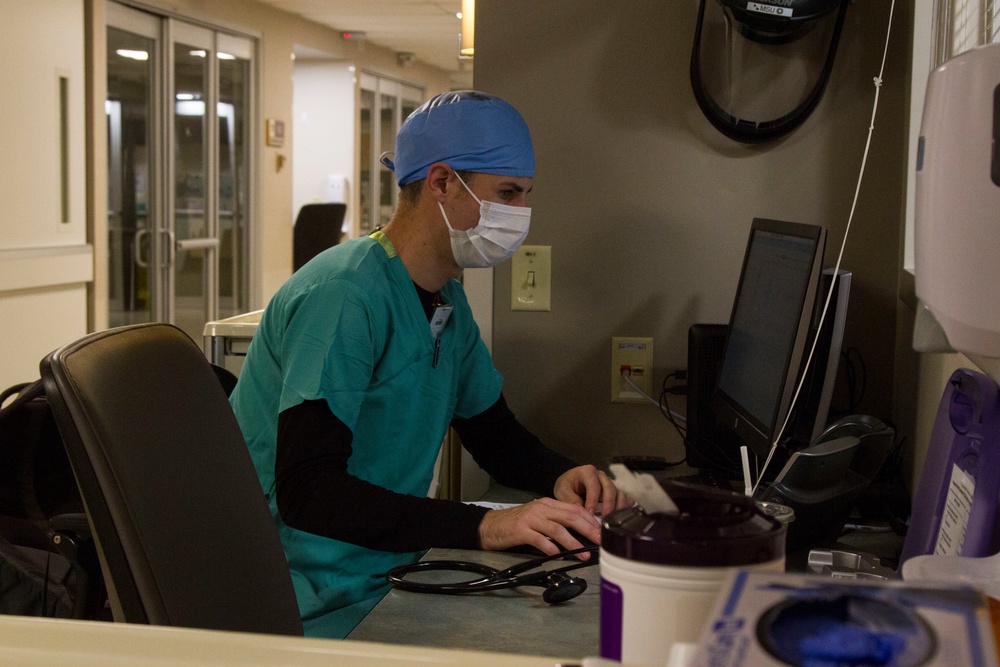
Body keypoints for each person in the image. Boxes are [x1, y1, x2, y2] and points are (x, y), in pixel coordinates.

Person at [229, 90, 627, 639]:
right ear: (441, 182)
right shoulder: (344, 295)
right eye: (506, 193)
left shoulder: (446, 303)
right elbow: (309, 492)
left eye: (526, 196)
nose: (519, 214)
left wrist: (561, 476)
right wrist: (486, 524)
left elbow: (494, 437)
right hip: (303, 596)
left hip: (384, 568)